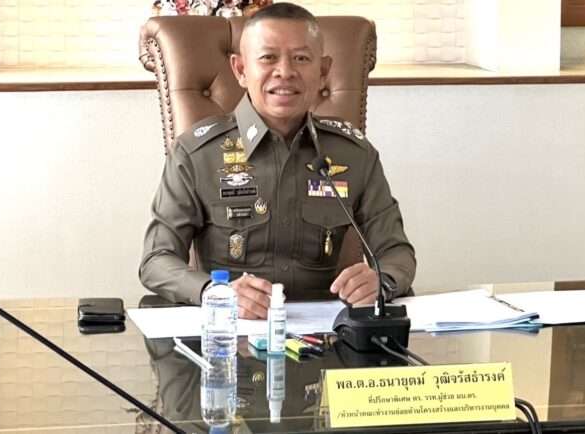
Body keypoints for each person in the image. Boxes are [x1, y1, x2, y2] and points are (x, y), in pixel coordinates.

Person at [139, 3, 416, 319]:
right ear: (241, 70)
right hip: (231, 331)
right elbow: (156, 260)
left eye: (301, 58)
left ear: (323, 71)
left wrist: (383, 280)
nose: (285, 72)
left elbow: (396, 252)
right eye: (268, 58)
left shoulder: (353, 154)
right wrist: (215, 293)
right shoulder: (196, 153)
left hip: (328, 333)